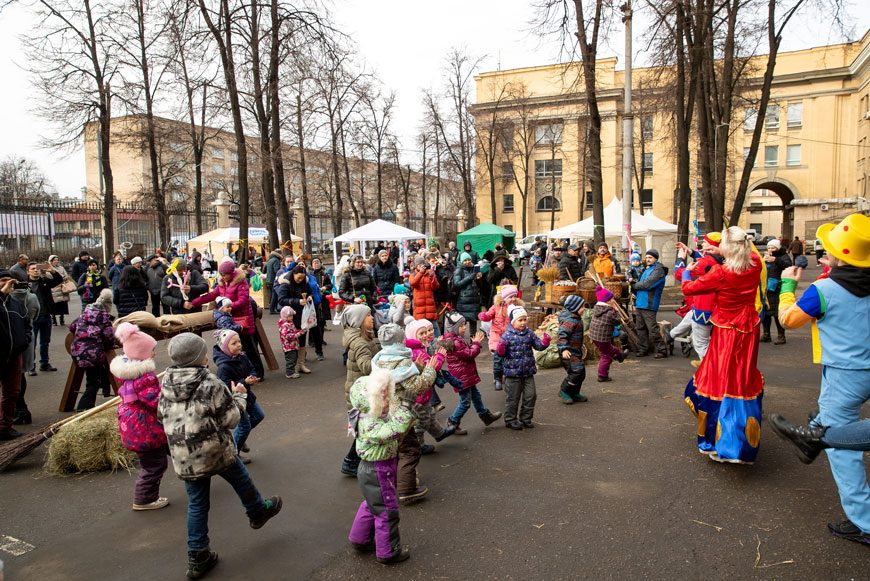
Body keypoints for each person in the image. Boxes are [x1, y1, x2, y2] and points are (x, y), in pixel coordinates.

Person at [774, 213, 870, 544]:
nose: (824, 252)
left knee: (842, 448)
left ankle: (865, 522)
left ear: (840, 255)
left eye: (828, 249)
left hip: (844, 374)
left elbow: (788, 321)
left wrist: (788, 284)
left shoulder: (823, 289)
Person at [157, 332, 282, 579]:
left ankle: (198, 554)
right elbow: (232, 418)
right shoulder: (210, 383)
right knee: (240, 477)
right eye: (203, 352)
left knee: (197, 503)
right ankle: (257, 511)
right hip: (214, 448)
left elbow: (161, 417)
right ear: (198, 357)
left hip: (184, 455)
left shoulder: (166, 384)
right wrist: (239, 395)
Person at [683, 226, 764, 464]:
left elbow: (689, 288)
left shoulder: (721, 273)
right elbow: (749, 254)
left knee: (719, 379)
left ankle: (717, 441)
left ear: (727, 248)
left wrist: (687, 271)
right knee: (741, 379)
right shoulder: (755, 265)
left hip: (728, 331)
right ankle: (737, 439)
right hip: (748, 329)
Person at [346, 368, 415, 564]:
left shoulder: (369, 415)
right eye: (382, 398)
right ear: (369, 402)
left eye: (387, 396)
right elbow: (394, 429)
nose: (387, 402)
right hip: (378, 469)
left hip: (376, 468)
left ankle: (359, 538)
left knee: (372, 504)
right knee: (387, 510)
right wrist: (405, 409)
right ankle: (388, 551)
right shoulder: (369, 422)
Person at [371, 324, 438, 503]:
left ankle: (391, 482)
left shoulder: (379, 360)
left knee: (393, 450)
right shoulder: (402, 362)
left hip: (383, 413)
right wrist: (430, 369)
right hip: (400, 414)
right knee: (410, 450)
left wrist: (416, 366)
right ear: (400, 341)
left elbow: (398, 376)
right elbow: (417, 386)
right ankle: (407, 489)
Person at [112, 322, 169, 511]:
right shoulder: (144, 378)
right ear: (142, 354)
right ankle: (144, 499)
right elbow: (156, 402)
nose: (154, 353)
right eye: (152, 350)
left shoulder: (129, 375)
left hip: (134, 428)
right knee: (154, 465)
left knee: (155, 460)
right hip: (145, 430)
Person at [192, 260, 263, 379]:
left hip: (243, 320)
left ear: (231, 273)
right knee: (232, 348)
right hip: (230, 320)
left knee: (249, 348)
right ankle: (240, 372)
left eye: (224, 274)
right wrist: (195, 302)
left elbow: (243, 301)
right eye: (221, 274)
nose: (222, 277)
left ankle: (258, 372)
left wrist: (228, 307)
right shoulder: (221, 283)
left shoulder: (241, 283)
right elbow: (212, 295)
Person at [440, 313, 502, 435]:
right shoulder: (455, 342)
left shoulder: (455, 339)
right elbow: (469, 354)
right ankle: (453, 422)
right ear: (454, 328)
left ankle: (485, 415)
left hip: (465, 375)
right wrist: (477, 343)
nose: (464, 328)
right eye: (461, 326)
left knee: (476, 396)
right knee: (466, 402)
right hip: (462, 377)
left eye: (464, 325)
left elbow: (465, 351)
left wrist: (472, 343)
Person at [404, 319, 457, 452]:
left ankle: (439, 433)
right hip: (419, 395)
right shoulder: (418, 352)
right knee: (421, 421)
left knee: (430, 414)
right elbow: (433, 366)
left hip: (420, 394)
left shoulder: (415, 349)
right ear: (412, 336)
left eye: (425, 332)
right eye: (420, 333)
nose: (424, 335)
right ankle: (419, 446)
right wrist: (440, 356)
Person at [213, 329, 263, 465]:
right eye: (233, 343)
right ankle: (234, 454)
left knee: (259, 416)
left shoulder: (242, 357)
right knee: (245, 426)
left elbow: (252, 368)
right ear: (225, 348)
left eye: (239, 341)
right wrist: (244, 382)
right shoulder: (223, 367)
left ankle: (239, 437)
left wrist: (252, 376)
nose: (238, 345)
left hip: (247, 395)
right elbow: (226, 388)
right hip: (234, 400)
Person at [497, 306, 550, 430]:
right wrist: (501, 349)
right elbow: (501, 354)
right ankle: (510, 420)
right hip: (512, 374)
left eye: (525, 320)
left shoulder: (530, 334)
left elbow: (539, 346)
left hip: (528, 372)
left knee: (531, 395)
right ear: (513, 321)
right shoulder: (507, 336)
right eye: (520, 320)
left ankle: (526, 418)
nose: (523, 323)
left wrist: (545, 341)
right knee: (513, 398)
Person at [340, 304, 377, 477]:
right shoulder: (361, 342)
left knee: (363, 429)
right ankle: (350, 461)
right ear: (359, 321)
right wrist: (384, 362)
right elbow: (366, 366)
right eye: (368, 316)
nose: (372, 318)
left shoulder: (363, 337)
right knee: (363, 430)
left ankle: (353, 460)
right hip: (362, 394)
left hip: (359, 391)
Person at [673, 235, 724, 364]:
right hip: (716, 306)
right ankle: (671, 335)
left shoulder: (705, 262)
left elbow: (680, 274)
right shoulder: (723, 259)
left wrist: (680, 259)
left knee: (700, 343)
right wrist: (690, 251)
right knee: (688, 318)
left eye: (705, 243)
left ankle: (711, 369)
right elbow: (703, 259)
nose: (702, 245)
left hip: (703, 305)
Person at [69, 289, 116, 410]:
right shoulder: (103, 317)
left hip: (78, 351)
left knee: (96, 375)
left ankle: (105, 388)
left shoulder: (84, 314)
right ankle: (83, 407)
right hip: (93, 353)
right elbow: (109, 335)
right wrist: (110, 344)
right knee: (93, 382)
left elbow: (72, 326)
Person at [0, 271, 29, 440]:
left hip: (14, 354)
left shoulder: (16, 303)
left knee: (12, 392)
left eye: (9, 281)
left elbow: (26, 322)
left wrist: (25, 339)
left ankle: (5, 426)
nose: (7, 284)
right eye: (2, 281)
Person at [478, 285, 523, 392]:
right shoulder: (496, 306)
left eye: (514, 296)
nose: (513, 299)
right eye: (510, 297)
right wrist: (484, 316)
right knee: (498, 358)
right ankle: (497, 378)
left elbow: (521, 318)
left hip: (510, 336)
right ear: (504, 298)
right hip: (497, 335)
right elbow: (489, 315)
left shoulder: (517, 307)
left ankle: (508, 376)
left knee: (510, 358)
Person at [275, 265, 316, 373]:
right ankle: (291, 367)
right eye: (298, 278)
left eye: (302, 278)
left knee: (302, 338)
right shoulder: (285, 284)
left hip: (303, 315)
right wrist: (297, 301)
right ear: (293, 275)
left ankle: (301, 364)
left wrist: (310, 297)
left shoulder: (305, 283)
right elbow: (281, 300)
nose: (300, 280)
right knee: (292, 340)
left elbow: (310, 292)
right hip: (290, 317)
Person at [26, 260, 63, 373]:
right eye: (32, 269)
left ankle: (44, 363)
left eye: (37, 268)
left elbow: (59, 280)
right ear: (28, 272)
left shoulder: (44, 281)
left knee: (45, 342)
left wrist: (52, 270)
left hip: (46, 315)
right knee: (32, 343)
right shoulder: (25, 284)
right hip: (32, 317)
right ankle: (31, 366)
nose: (36, 270)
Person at [631, 249, 668, 359]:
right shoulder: (648, 269)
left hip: (649, 303)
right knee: (640, 328)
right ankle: (643, 348)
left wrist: (634, 285)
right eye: (646, 257)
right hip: (640, 302)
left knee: (652, 329)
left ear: (656, 258)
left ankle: (662, 349)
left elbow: (648, 284)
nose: (647, 259)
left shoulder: (659, 270)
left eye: (650, 257)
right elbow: (642, 283)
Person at [588, 286, 629, 383]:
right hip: (602, 337)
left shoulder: (598, 309)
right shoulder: (609, 312)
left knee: (610, 348)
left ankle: (620, 355)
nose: (613, 300)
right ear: (606, 301)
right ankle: (602, 375)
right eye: (611, 299)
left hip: (595, 336)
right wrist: (617, 312)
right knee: (606, 355)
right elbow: (617, 322)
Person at [557, 295, 588, 403]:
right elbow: (562, 337)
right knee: (575, 372)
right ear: (575, 307)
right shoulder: (569, 321)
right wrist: (564, 349)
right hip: (568, 353)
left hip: (576, 351)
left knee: (581, 372)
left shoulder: (576, 318)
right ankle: (564, 390)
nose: (584, 309)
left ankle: (574, 392)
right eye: (582, 307)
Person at [761, 239, 792, 344]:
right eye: (769, 248)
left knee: (777, 313)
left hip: (778, 288)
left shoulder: (783, 256)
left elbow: (788, 266)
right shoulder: (765, 257)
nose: (770, 250)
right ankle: (766, 334)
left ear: (778, 248)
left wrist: (775, 260)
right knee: (765, 313)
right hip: (767, 288)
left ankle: (781, 336)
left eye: (773, 248)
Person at [452, 252, 483, 336]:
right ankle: (461, 341)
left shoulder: (474, 268)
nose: (467, 262)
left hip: (474, 300)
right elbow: (457, 284)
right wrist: (470, 277)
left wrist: (479, 278)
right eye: (465, 260)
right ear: (462, 261)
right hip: (463, 302)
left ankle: (473, 341)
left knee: (473, 323)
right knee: (462, 324)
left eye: (469, 259)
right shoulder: (459, 270)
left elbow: (480, 286)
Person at [410, 256, 440, 335]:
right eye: (419, 264)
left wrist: (433, 277)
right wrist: (420, 273)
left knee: (435, 328)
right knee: (421, 330)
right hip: (419, 309)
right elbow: (413, 283)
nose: (421, 265)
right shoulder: (413, 275)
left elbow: (435, 286)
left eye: (422, 264)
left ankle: (438, 344)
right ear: (416, 266)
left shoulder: (428, 274)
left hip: (430, 308)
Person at [278, 305, 303, 379]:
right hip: (288, 346)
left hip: (292, 345)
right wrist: (296, 335)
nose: (292, 317)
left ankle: (292, 371)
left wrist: (298, 332)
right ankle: (289, 372)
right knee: (290, 359)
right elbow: (287, 335)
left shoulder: (290, 323)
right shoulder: (285, 325)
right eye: (290, 316)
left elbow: (293, 331)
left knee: (293, 358)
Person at [48, 255, 71, 326]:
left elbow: (66, 275)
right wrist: (59, 277)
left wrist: (60, 277)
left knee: (62, 304)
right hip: (54, 289)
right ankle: (53, 319)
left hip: (62, 287)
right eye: (54, 260)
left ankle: (62, 318)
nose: (56, 261)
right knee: (54, 304)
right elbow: (49, 276)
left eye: (57, 260)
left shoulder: (61, 267)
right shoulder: (49, 268)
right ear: (51, 261)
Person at [265, 249, 283, 314]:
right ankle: (272, 309)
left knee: (272, 294)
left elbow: (265, 268)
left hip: (269, 279)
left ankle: (272, 308)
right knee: (274, 295)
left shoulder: (270, 260)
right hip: (273, 280)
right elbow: (277, 271)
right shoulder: (276, 260)